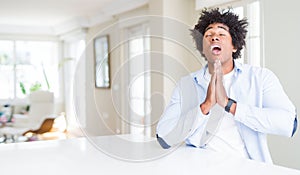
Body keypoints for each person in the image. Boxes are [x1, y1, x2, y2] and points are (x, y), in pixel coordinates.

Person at [156, 8, 298, 163]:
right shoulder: (186, 85)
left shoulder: (261, 78)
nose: (214, 38)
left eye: (222, 34)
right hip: (199, 167)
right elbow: (164, 137)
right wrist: (206, 106)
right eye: (208, 35)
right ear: (202, 48)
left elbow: (289, 124)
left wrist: (229, 105)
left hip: (248, 168)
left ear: (234, 46)